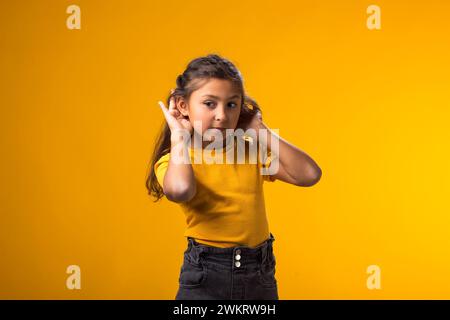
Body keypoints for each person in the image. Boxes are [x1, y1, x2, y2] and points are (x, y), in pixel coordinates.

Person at [146, 54, 322, 300]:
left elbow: (309, 175)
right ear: (183, 106)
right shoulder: (177, 159)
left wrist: (261, 131)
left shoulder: (249, 151)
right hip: (205, 273)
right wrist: (178, 137)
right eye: (209, 103)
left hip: (258, 272)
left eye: (231, 104)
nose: (221, 115)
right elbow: (180, 190)